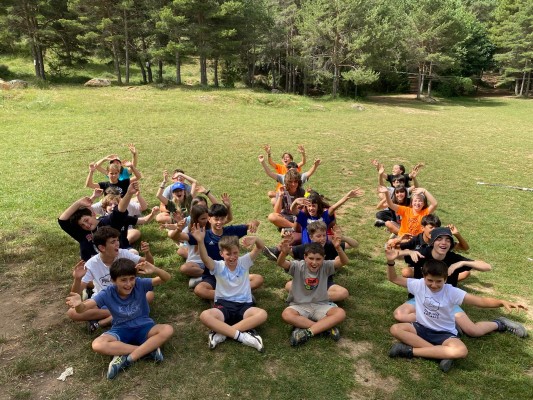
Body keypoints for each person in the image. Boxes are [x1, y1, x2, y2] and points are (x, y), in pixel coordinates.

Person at [385, 257, 528, 372]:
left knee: (461, 351)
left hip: (444, 333)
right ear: (424, 277)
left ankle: (409, 351)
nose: (434, 285)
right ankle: (440, 354)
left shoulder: (451, 292)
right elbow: (394, 279)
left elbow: (479, 301)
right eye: (430, 281)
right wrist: (390, 262)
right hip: (421, 327)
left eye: (439, 281)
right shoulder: (419, 284)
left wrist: (501, 302)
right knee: (395, 329)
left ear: (445, 279)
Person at [387, 227, 527, 341]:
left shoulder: (454, 258)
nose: (443, 243)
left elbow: (487, 267)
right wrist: (408, 251)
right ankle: (441, 321)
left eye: (448, 240)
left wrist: (461, 263)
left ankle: (499, 323)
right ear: (432, 242)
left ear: (451, 244)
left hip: (447, 301)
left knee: (472, 331)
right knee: (400, 315)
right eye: (439, 239)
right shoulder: (422, 253)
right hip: (421, 298)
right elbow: (393, 255)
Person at [66, 258, 174, 379]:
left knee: (167, 329)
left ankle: (128, 357)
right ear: (113, 280)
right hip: (121, 329)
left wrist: (155, 269)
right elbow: (82, 309)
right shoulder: (107, 293)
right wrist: (78, 304)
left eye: (131, 278)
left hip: (145, 326)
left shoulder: (140, 284)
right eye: (123, 280)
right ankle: (148, 350)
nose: (129, 284)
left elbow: (166, 278)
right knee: (97, 344)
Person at [190, 225, 267, 352]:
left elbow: (260, 247)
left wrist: (256, 239)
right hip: (223, 306)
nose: (232, 257)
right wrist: (200, 241)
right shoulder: (218, 266)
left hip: (244, 305)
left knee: (262, 314)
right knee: (204, 315)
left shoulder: (244, 261)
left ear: (239, 251)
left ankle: (222, 333)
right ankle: (242, 336)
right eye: (228, 254)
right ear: (221, 254)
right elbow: (205, 259)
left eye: (235, 253)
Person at [66, 227, 155, 332]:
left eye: (117, 240)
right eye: (113, 242)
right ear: (102, 248)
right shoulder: (91, 264)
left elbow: (149, 265)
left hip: (128, 296)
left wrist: (147, 253)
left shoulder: (123, 253)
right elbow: (74, 295)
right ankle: (122, 313)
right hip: (105, 300)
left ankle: (102, 322)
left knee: (149, 294)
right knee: (72, 312)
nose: (117, 244)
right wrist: (77, 279)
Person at [170, 203, 263, 301]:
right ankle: (238, 293)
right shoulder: (203, 234)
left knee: (258, 279)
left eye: (222, 219)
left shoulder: (231, 231)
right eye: (216, 219)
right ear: (209, 219)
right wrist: (178, 229)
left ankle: (224, 295)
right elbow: (176, 237)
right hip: (212, 274)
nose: (219, 222)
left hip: (233, 273)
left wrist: (254, 223)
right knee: (199, 290)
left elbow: (255, 223)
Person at [276, 234, 348, 346]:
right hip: (299, 305)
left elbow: (344, 262)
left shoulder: (326, 266)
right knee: (287, 314)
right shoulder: (297, 266)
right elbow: (281, 263)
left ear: (323, 258)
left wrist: (338, 248)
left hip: (320, 304)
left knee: (340, 313)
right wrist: (284, 253)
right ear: (305, 257)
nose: (314, 262)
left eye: (318, 259)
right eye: (311, 258)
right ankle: (324, 328)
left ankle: (307, 332)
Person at [58, 182, 139, 261]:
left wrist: (129, 193)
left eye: (86, 220)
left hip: (116, 259)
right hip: (93, 264)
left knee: (133, 253)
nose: (86, 225)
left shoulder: (107, 222)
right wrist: (78, 203)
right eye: (82, 225)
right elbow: (62, 221)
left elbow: (120, 211)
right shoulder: (81, 233)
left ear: (93, 214)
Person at [279, 221, 352, 302]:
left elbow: (346, 258)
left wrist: (339, 244)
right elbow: (285, 255)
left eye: (324, 235)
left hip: (324, 282)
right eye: (318, 236)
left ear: (323, 257)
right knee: (289, 285)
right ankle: (318, 299)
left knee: (343, 293)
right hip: (305, 281)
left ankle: (308, 298)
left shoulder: (331, 249)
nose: (322, 238)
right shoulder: (304, 248)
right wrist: (284, 249)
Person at [291, 189, 363, 244]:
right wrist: (295, 202)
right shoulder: (303, 216)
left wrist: (347, 197)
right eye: (309, 206)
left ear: (318, 207)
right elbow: (292, 210)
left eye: (313, 206)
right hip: (307, 250)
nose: (311, 208)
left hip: (322, 249)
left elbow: (333, 207)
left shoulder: (324, 216)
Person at [267, 169, 306, 241]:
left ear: (298, 182)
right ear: (287, 182)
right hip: (286, 218)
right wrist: (280, 196)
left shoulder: (301, 191)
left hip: (297, 217)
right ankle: (294, 228)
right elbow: (276, 212)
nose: (293, 184)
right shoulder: (282, 191)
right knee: (272, 216)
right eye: (291, 182)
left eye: (295, 182)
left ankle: (287, 229)